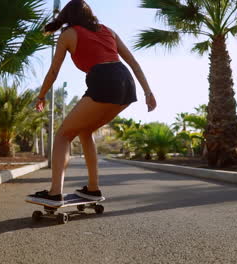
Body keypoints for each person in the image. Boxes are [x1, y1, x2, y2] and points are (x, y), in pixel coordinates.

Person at [26, 0, 156, 206]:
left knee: (63, 135)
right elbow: (134, 63)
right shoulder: (108, 31)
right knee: (85, 131)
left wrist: (41, 95)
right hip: (126, 83)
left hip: (104, 80)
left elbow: (53, 71)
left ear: (68, 16)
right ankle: (93, 188)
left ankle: (54, 193)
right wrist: (148, 92)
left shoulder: (69, 34)